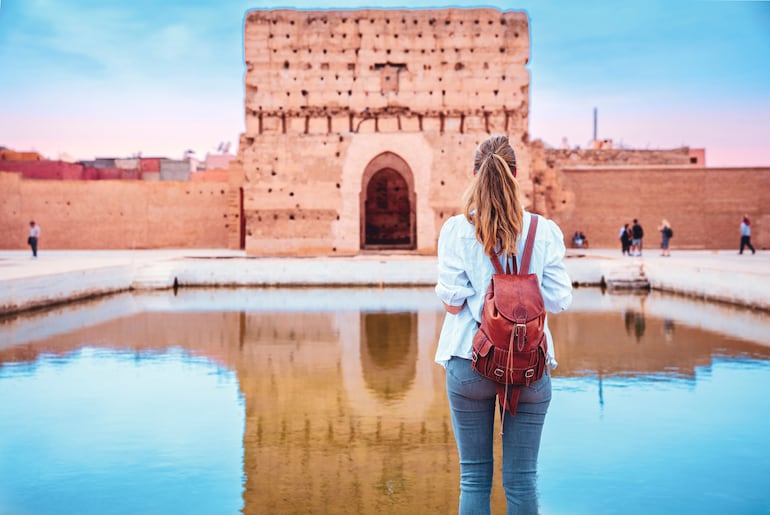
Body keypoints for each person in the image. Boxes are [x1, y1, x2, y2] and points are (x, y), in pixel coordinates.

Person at [435, 135, 573, 514]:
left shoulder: (456, 230)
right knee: (523, 481)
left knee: (474, 478)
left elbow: (451, 305)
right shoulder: (543, 231)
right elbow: (561, 300)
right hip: (531, 364)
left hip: (470, 361)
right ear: (515, 174)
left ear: (475, 174)